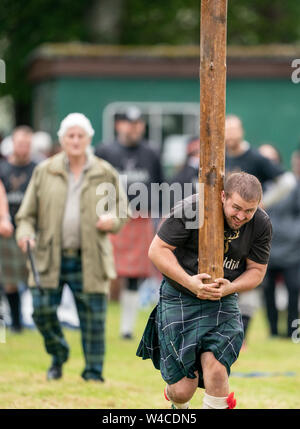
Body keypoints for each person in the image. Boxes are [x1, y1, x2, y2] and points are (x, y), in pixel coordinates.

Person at [137, 172, 272, 409]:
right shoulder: (191, 209)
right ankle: (177, 400)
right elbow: (157, 250)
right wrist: (190, 282)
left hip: (222, 299)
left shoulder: (261, 223)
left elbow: (257, 271)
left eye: (249, 211)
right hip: (180, 294)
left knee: (217, 369)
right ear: (223, 196)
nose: (241, 216)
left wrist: (232, 286)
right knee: (182, 390)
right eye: (236, 208)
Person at [16, 113, 129, 381]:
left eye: (80, 136)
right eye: (70, 136)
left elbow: (122, 210)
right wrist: (26, 234)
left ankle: (93, 373)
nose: (76, 140)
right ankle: (59, 353)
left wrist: (111, 220)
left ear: (89, 139)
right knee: (41, 311)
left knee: (93, 319)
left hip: (90, 257)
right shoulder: (45, 170)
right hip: (48, 256)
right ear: (62, 140)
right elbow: (26, 216)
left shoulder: (105, 172)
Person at [225, 115, 295, 341]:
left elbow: (287, 182)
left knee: (249, 273)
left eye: (234, 129)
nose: (230, 135)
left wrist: (264, 203)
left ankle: (242, 333)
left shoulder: (255, 157)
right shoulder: (220, 155)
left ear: (242, 131)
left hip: (249, 225)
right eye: (226, 130)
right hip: (224, 225)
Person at [95, 106, 163, 339]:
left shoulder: (151, 152)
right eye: (129, 123)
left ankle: (126, 329)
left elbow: (160, 186)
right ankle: (98, 324)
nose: (134, 128)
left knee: (134, 275)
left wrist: (160, 216)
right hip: (110, 217)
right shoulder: (105, 151)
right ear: (118, 125)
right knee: (104, 272)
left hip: (140, 218)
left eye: (138, 124)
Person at [260, 146, 300, 339]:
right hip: (266, 250)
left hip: (291, 251)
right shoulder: (256, 187)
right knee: (267, 292)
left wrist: (293, 234)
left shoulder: (292, 186)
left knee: (294, 291)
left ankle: (294, 331)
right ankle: (273, 331)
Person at [0, 126, 36, 332]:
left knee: (34, 277)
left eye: (27, 144)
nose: (23, 147)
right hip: (7, 230)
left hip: (31, 230)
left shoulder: (38, 168)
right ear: (13, 144)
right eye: (19, 143)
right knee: (9, 280)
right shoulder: (2, 168)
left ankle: (36, 319)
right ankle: (15, 324)